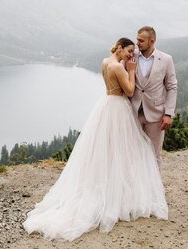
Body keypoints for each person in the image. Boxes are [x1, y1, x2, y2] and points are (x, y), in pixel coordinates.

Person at [22, 38, 168, 242]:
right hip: (118, 108)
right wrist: (132, 71)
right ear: (119, 47)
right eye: (128, 51)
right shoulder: (118, 67)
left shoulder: (105, 62)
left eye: (132, 52)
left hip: (106, 104)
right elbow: (129, 90)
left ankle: (109, 186)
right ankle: (118, 194)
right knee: (122, 150)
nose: (130, 55)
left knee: (104, 150)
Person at [130, 26, 178, 170]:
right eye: (137, 39)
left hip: (156, 116)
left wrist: (168, 113)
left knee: (154, 155)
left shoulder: (166, 59)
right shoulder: (132, 55)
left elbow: (172, 87)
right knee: (132, 154)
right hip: (133, 113)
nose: (137, 43)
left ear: (152, 41)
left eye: (141, 40)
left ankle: (154, 191)